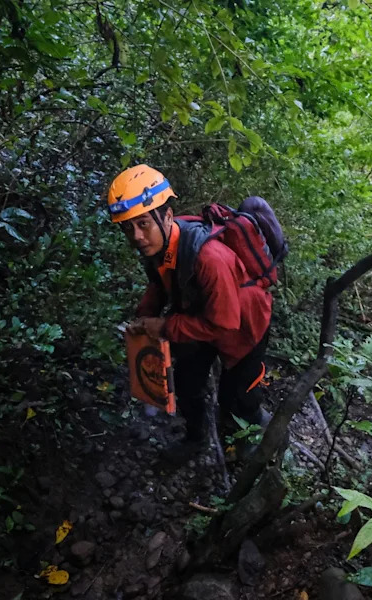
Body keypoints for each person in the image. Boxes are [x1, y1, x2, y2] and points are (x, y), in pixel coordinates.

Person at [107, 165, 273, 457]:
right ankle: (197, 439)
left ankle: (254, 444)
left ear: (166, 216)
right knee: (186, 381)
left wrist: (166, 327)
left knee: (237, 398)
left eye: (143, 223)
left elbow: (224, 323)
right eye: (127, 227)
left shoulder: (210, 258)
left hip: (244, 325)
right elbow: (160, 282)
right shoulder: (161, 243)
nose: (137, 236)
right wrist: (145, 316)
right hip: (198, 315)